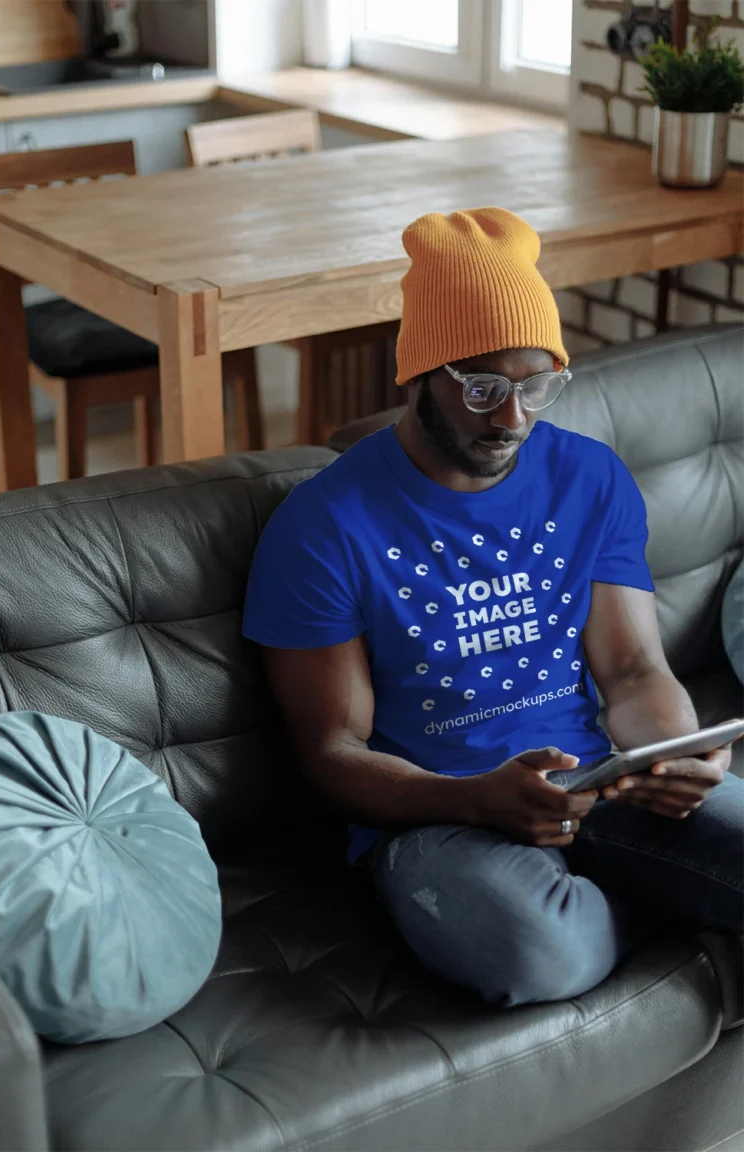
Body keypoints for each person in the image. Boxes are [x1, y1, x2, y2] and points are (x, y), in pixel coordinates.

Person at [242, 206, 742, 1007]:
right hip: (435, 817)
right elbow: (332, 753)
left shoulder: (589, 476)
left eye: (536, 385)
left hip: (596, 784)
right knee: (540, 953)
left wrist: (674, 755)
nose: (511, 418)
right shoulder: (323, 527)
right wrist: (472, 795)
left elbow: (632, 668)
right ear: (417, 376)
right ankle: (681, 904)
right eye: (481, 388)